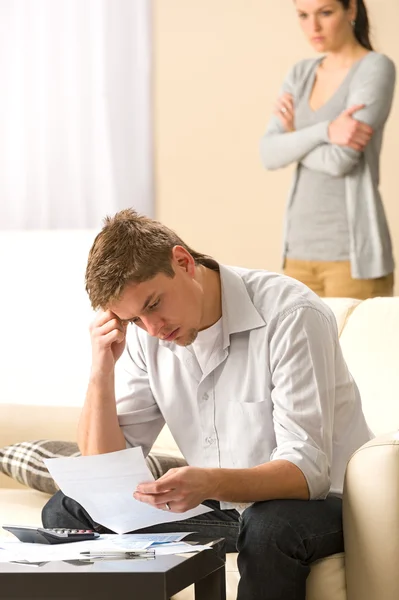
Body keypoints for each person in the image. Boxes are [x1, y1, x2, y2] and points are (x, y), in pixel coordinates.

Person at [42, 209, 372, 600]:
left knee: (268, 525)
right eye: (133, 320)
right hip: (229, 510)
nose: (153, 329)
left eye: (153, 304)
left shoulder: (290, 315)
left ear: (183, 262)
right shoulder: (149, 336)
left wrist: (208, 481)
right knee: (66, 511)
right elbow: (104, 473)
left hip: (323, 506)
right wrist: (101, 369)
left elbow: (307, 473)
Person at [261, 0, 396, 299]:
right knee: (301, 347)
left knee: (355, 347)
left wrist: (294, 138)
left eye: (325, 12)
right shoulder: (300, 73)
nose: (314, 27)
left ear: (351, 11)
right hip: (296, 251)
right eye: (303, 15)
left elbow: (340, 161)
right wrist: (325, 130)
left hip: (351, 257)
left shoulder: (375, 68)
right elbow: (268, 153)